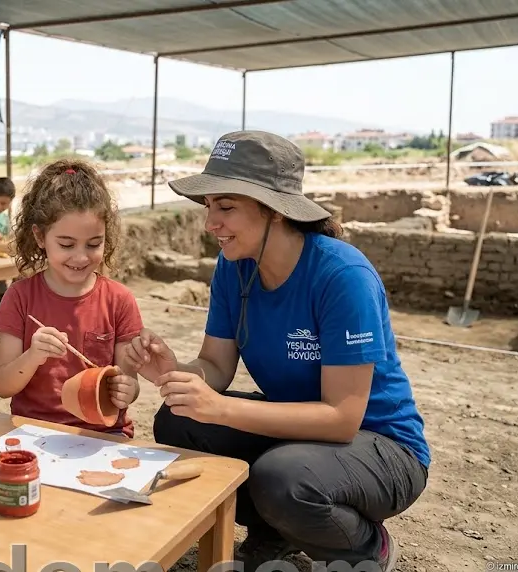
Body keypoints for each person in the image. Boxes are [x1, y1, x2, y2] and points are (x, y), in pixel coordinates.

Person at [122, 131, 429, 572]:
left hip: (382, 447)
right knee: (179, 418)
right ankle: (274, 531)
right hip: (302, 434)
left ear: (275, 211)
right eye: (209, 207)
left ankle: (363, 548)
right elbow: (216, 367)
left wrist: (222, 409)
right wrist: (174, 371)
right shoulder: (233, 268)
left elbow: (342, 419)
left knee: (282, 477)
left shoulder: (343, 276)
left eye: (226, 207)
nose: (211, 224)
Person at [0, 159, 143, 437]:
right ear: (39, 236)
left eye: (94, 244)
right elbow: (1, 386)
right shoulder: (20, 297)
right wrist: (33, 356)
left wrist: (128, 390)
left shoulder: (119, 300)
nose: (81, 257)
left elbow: (127, 382)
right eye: (66, 245)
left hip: (102, 434)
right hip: (34, 431)